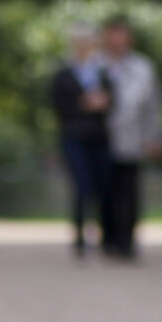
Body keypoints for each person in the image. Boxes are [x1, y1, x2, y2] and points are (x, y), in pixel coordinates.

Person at [100, 15, 162, 264]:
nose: (118, 40)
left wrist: (155, 137)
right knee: (106, 193)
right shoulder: (96, 65)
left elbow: (153, 106)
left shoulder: (142, 67)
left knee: (129, 193)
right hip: (101, 140)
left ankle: (127, 242)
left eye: (122, 35)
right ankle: (109, 240)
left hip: (132, 140)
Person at [48, 26, 113, 261]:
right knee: (81, 187)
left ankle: (106, 238)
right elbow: (59, 105)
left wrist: (104, 102)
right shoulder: (63, 74)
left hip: (99, 137)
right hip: (75, 137)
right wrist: (84, 104)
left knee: (103, 186)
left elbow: (113, 99)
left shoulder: (102, 71)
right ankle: (80, 239)